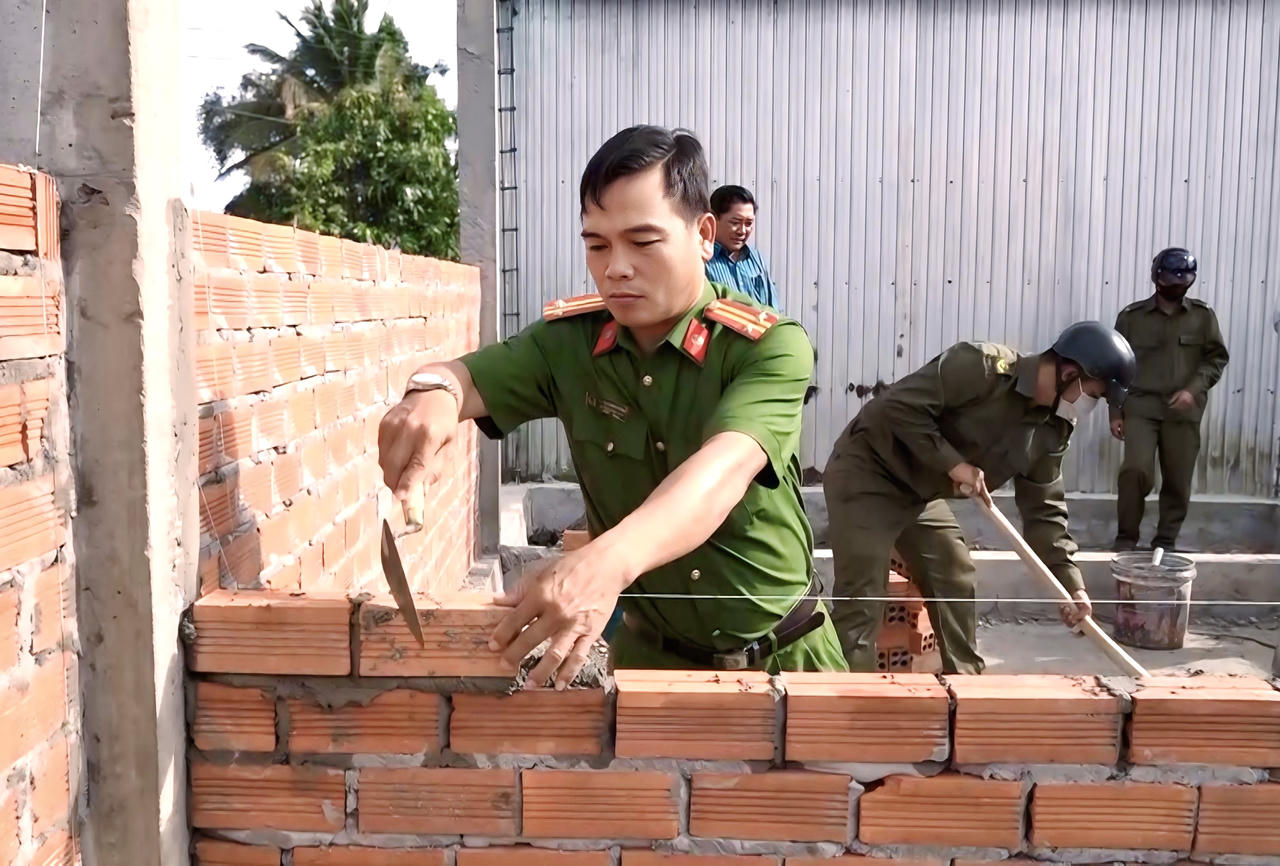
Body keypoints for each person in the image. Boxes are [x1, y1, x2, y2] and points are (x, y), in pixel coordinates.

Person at [377, 125, 847, 688]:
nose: (615, 267)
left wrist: (603, 563)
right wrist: (431, 395)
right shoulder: (570, 343)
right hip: (651, 667)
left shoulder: (765, 346)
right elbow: (466, 379)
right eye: (596, 244)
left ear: (702, 234)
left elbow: (724, 470)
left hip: (787, 662)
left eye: (642, 242)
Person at [822, 322, 1136, 674]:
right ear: (1069, 372)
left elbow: (1045, 512)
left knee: (953, 573)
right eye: (1093, 394)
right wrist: (954, 464)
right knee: (864, 596)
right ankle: (843, 702)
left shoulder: (1053, 429)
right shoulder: (981, 368)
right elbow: (897, 408)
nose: (1090, 407)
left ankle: (967, 690)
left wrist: (1072, 587)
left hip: (919, 492)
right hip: (869, 470)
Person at [1112, 247, 1229, 552]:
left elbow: (1215, 359)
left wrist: (1193, 389)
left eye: (1184, 278)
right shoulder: (1131, 318)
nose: (1178, 284)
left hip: (1183, 412)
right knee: (1135, 470)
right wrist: (1115, 411)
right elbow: (1115, 366)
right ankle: (1126, 540)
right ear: (1157, 278)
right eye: (1171, 277)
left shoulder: (1202, 317)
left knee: (1178, 480)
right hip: (1141, 406)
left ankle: (1165, 542)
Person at [704, 185, 780, 311]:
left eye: (748, 223)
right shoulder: (702, 260)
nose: (742, 231)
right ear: (712, 220)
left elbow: (774, 309)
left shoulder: (756, 258)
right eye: (735, 223)